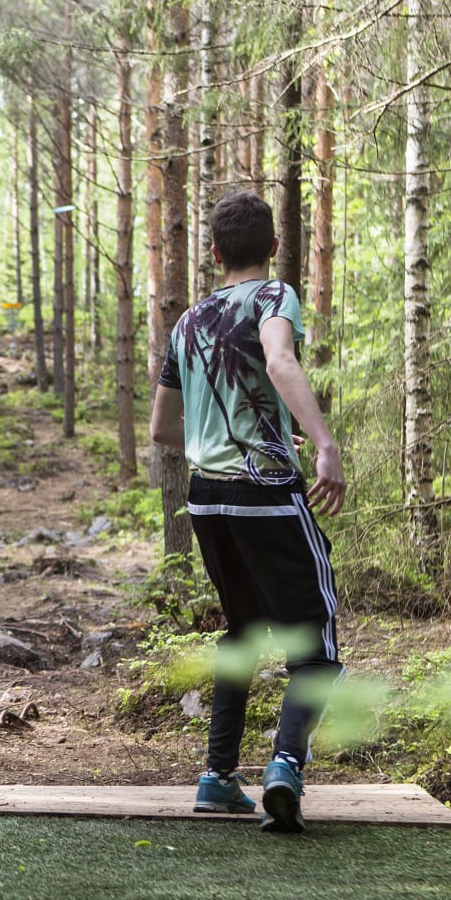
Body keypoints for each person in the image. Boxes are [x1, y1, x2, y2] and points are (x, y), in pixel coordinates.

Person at [150, 189, 345, 833]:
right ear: (274, 248)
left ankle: (216, 778)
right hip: (265, 494)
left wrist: (219, 445)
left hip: (207, 501)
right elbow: (279, 357)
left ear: (213, 253)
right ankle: (284, 767)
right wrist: (322, 443)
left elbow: (161, 428)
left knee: (240, 632)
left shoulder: (186, 323)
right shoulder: (273, 296)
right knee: (314, 642)